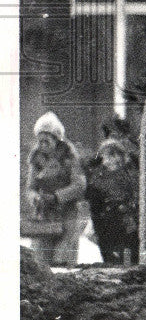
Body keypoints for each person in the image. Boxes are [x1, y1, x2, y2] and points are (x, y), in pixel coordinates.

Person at [24, 112, 87, 266]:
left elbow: (80, 185)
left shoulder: (69, 155)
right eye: (40, 140)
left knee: (63, 261)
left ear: (56, 139)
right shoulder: (36, 157)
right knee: (41, 262)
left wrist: (57, 197)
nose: (43, 144)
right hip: (44, 215)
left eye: (47, 140)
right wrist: (35, 198)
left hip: (68, 214)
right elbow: (30, 187)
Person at [84, 137, 140, 265]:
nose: (109, 160)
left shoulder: (130, 175)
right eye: (106, 156)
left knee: (130, 260)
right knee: (111, 261)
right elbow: (94, 207)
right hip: (106, 228)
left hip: (127, 227)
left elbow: (135, 200)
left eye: (114, 155)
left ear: (121, 157)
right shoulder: (97, 179)